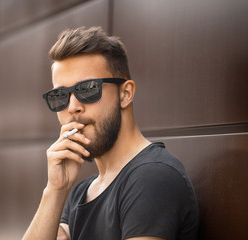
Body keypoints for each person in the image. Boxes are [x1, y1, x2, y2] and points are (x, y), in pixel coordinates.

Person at [22, 26, 199, 240]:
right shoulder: (81, 193)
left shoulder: (152, 177)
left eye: (87, 89)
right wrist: (56, 190)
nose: (72, 107)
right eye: (60, 95)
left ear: (125, 94)